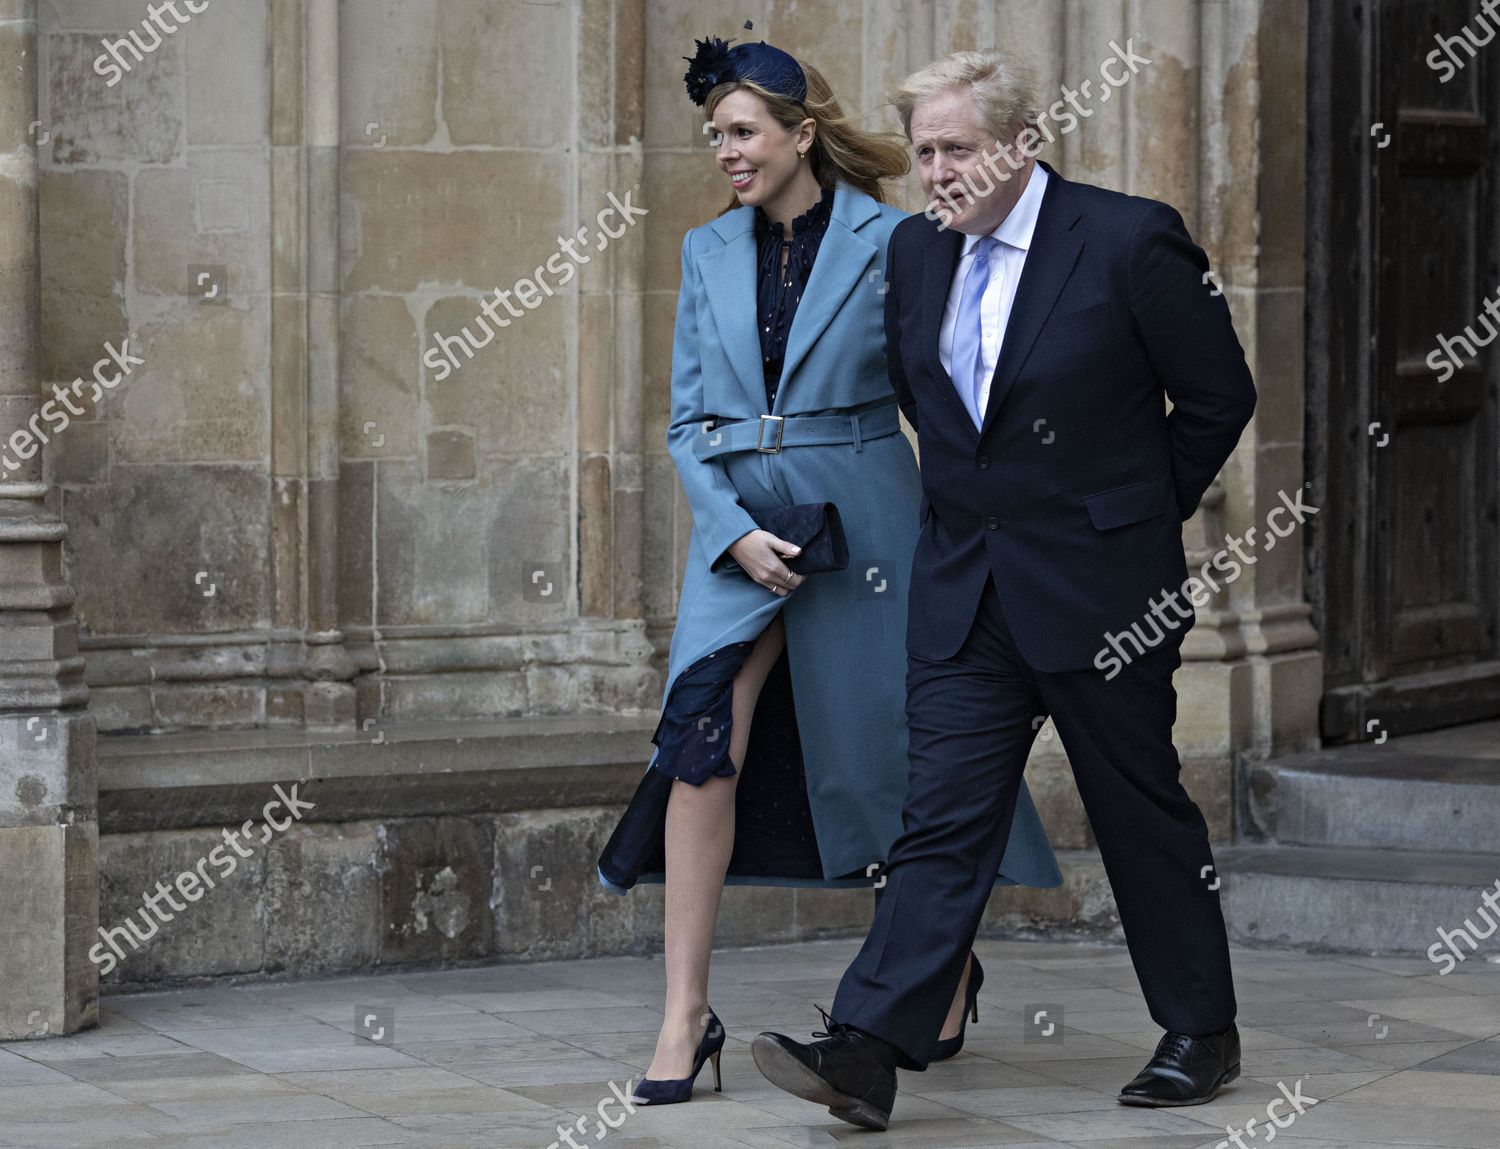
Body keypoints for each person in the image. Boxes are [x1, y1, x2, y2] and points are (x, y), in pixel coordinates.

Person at [752, 49, 1256, 1131]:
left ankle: (1201, 1031)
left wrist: (1127, 518)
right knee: (939, 819)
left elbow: (1219, 394)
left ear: (1022, 144)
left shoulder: (1127, 238)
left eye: (958, 149)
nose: (937, 171)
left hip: (1103, 595)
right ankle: (871, 1047)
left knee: (1137, 809)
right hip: (966, 594)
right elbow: (935, 420)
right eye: (926, 152)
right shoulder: (920, 262)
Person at [595, 37, 1061, 1106]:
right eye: (715, 134)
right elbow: (684, 422)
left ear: (803, 134)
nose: (726, 151)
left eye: (744, 131)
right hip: (738, 529)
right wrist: (729, 530)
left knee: (901, 743)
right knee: (701, 736)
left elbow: (953, 389)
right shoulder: (704, 251)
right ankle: (683, 1015)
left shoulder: (898, 240)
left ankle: (937, 960)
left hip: (872, 519)